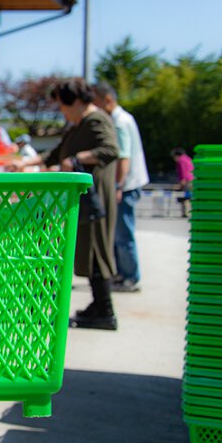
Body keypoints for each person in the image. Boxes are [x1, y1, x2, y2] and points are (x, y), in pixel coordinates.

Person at [13, 78, 120, 330]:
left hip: (95, 198)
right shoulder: (78, 125)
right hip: (83, 199)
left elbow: (110, 149)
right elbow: (55, 154)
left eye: (63, 105)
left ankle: (105, 310)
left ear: (77, 101)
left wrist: (76, 160)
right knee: (86, 248)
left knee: (96, 249)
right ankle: (99, 306)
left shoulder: (96, 120)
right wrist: (24, 163)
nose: (61, 110)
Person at [93, 82, 150, 293]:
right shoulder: (124, 118)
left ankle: (130, 277)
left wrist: (117, 185)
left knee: (123, 234)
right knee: (119, 233)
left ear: (107, 99)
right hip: (128, 183)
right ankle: (122, 274)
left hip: (126, 185)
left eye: (96, 101)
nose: (94, 106)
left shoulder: (119, 121)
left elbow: (123, 157)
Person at [171, 147, 195, 217]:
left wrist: (181, 183)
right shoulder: (188, 159)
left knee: (185, 196)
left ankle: (186, 213)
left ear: (176, 155)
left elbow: (184, 172)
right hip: (193, 180)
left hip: (187, 181)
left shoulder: (181, 160)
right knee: (190, 196)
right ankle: (190, 212)